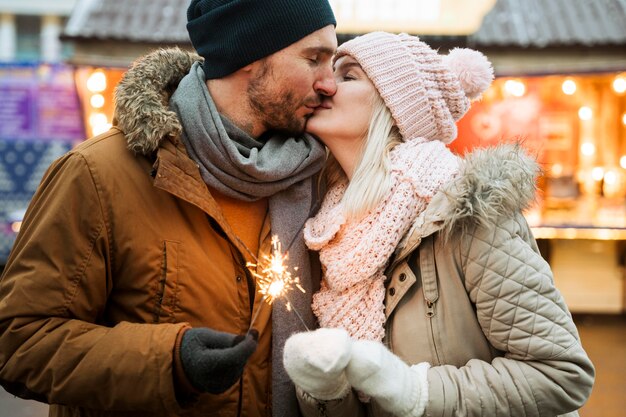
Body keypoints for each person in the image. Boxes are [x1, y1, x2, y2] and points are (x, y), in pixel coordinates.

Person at [0, 0, 338, 416]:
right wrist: (170, 361)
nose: (330, 83)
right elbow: (20, 341)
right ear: (250, 54)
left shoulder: (316, 179)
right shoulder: (97, 174)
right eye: (314, 58)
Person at [282, 32, 595, 417]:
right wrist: (325, 392)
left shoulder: (465, 214)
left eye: (349, 76)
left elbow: (561, 374)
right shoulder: (330, 234)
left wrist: (415, 391)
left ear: (393, 106)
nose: (326, 84)